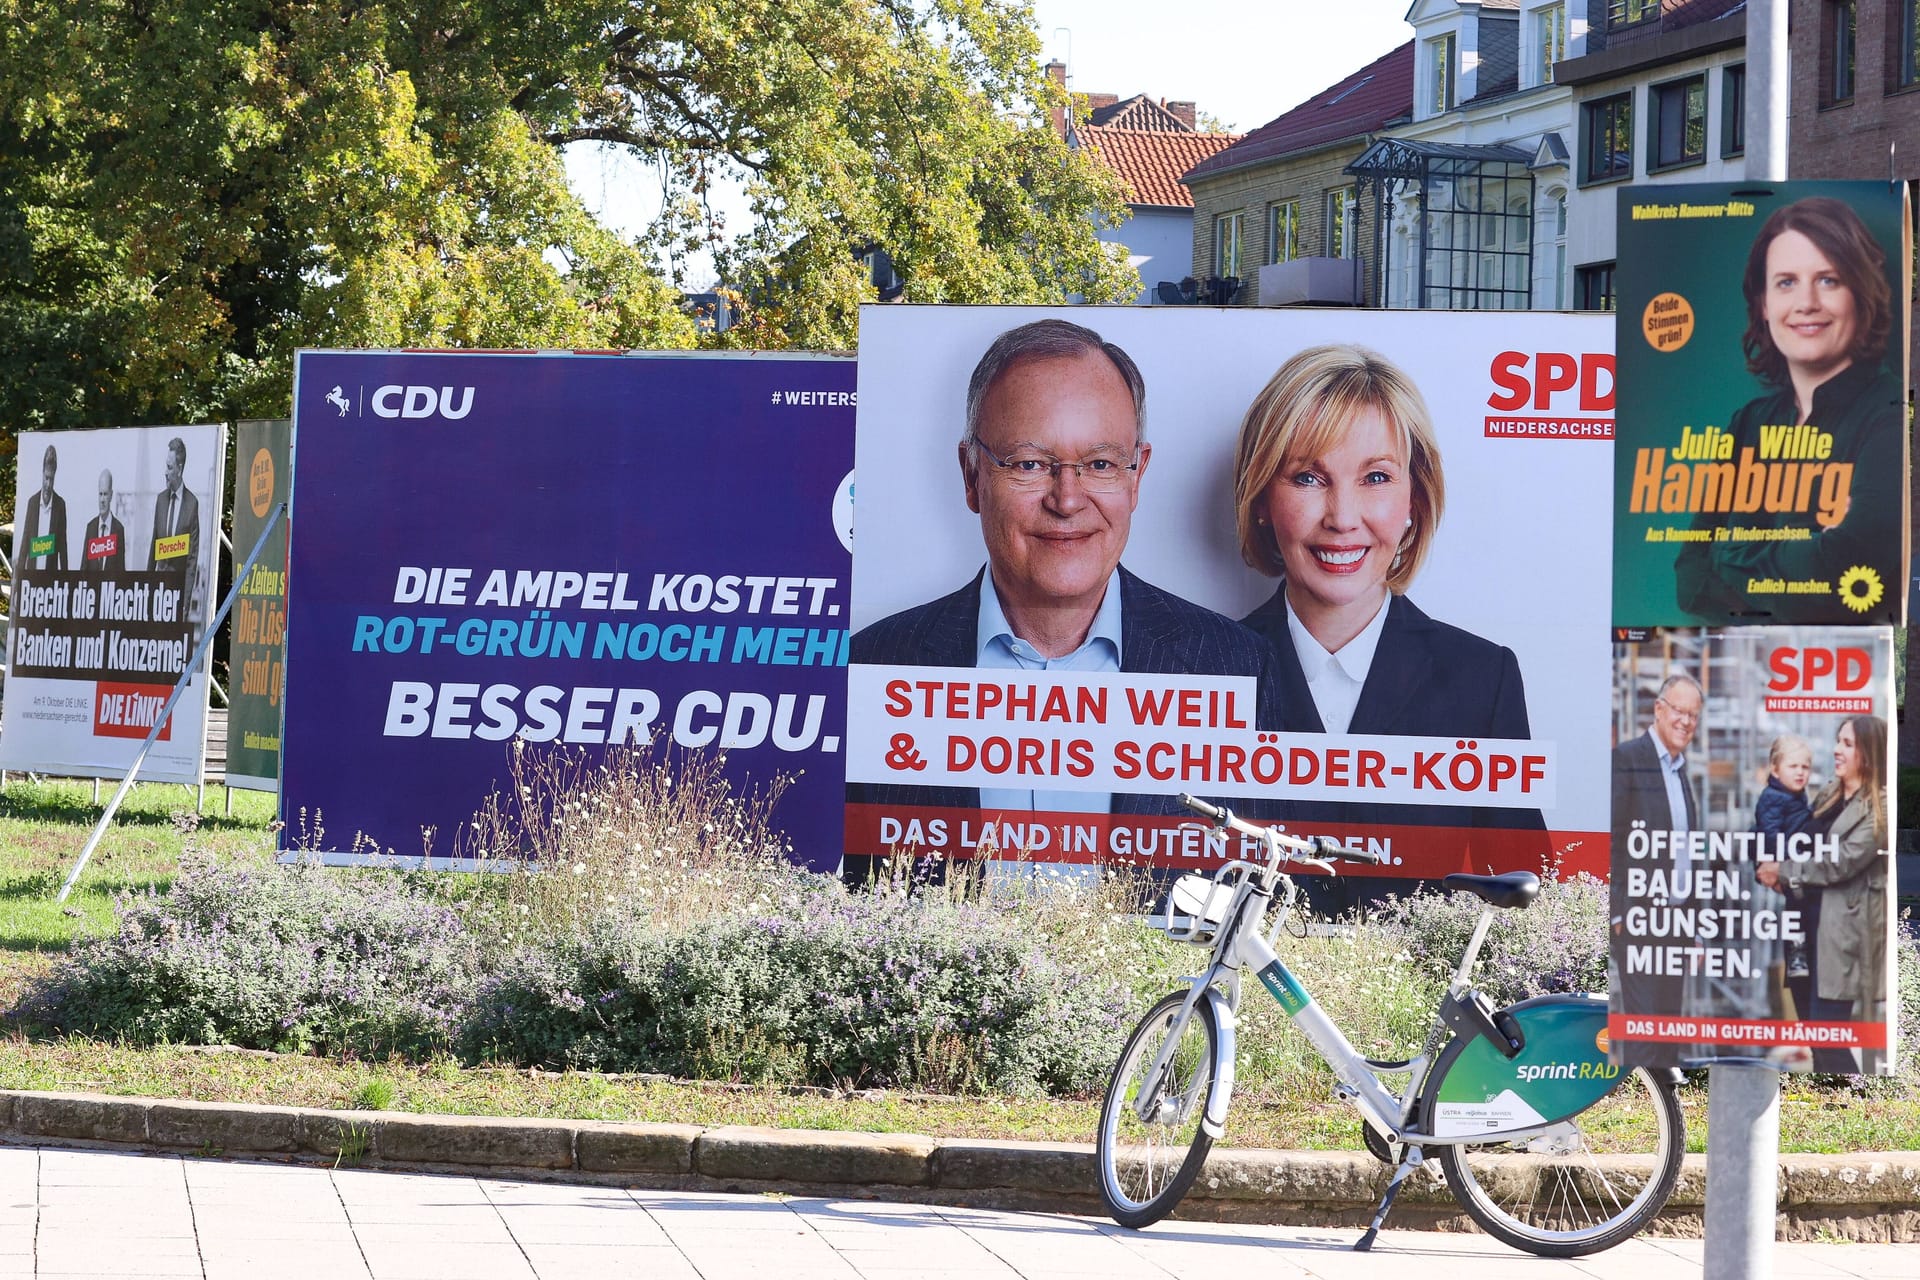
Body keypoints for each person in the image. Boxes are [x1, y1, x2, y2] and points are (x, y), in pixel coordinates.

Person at [846, 318, 1285, 881]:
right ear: (972, 475)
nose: (1068, 499)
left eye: (1100, 464)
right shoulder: (872, 670)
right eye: (1029, 464)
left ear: (1136, 475)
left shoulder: (1240, 671)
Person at [1230, 343, 1542, 911]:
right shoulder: (1201, 672)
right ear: (1262, 501)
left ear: (1414, 501)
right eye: (1307, 478)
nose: (1343, 517)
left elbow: (1527, 910)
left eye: (1375, 477)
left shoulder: (1482, 679)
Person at [1675, 197, 1902, 623]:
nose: (1806, 302)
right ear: (1763, 304)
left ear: (1861, 291)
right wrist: (1802, 560)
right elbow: (1690, 577)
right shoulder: (1749, 423)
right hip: (1752, 662)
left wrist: (1730, 554)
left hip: (1843, 669)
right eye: (1786, 282)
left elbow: (1847, 572)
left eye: (1828, 280)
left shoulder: (1887, 416)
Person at [1758, 715, 1890, 1073]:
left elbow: (1839, 864)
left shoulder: (1879, 808)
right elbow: (1799, 838)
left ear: (1868, 752)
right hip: (1801, 927)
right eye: (1838, 741)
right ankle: (1838, 1089)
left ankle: (1857, 1095)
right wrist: (1770, 862)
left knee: (1827, 1029)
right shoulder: (1830, 790)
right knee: (1810, 1024)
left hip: (1837, 939)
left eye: (1847, 743)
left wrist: (1782, 871)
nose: (1836, 750)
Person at [1608, 673, 1704, 1028]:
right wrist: (1618, 916)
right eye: (1679, 710)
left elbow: (1687, 853)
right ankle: (1646, 1083)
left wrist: (1693, 928)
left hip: (1677, 922)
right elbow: (1615, 838)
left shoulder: (1680, 770)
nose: (1685, 721)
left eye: (1693, 715)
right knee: (1645, 1025)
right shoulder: (1629, 759)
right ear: (1659, 710)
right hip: (1640, 919)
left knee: (1669, 1025)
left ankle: (1664, 1087)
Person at [19, 443, 68, 571]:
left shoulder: (60, 505)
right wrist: (18, 579)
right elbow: (25, 542)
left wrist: (66, 580)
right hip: (31, 578)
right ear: (42, 473)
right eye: (46, 478)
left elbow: (63, 547)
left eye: (51, 479)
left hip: (51, 581)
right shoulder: (32, 503)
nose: (48, 484)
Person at [83, 469, 127, 574]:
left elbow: (121, 571)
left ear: (111, 495)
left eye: (105, 494)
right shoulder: (91, 528)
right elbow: (83, 568)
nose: (102, 500)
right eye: (100, 494)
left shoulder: (118, 530)